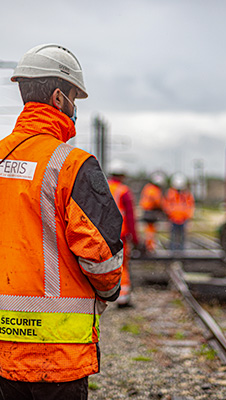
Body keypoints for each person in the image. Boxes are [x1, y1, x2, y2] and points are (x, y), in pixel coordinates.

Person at [0, 44, 124, 400]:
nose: (74, 108)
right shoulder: (72, 166)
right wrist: (109, 291)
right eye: (74, 99)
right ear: (58, 98)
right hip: (57, 356)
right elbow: (102, 255)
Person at [108, 160, 139, 307]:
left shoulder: (103, 187)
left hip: (103, 233)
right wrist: (135, 238)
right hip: (120, 235)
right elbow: (131, 217)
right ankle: (123, 297)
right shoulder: (124, 191)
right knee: (122, 265)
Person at [164, 172, 195, 250]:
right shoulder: (170, 194)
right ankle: (172, 254)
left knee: (182, 238)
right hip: (173, 219)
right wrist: (168, 216)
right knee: (173, 238)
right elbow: (166, 205)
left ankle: (181, 254)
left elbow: (190, 207)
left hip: (183, 219)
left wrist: (189, 218)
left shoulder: (187, 195)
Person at [139, 171, 166, 252]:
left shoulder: (147, 187)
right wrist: (163, 210)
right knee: (151, 231)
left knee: (148, 230)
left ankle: (149, 245)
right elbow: (158, 202)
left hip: (146, 211)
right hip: (151, 212)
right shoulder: (155, 190)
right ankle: (150, 247)